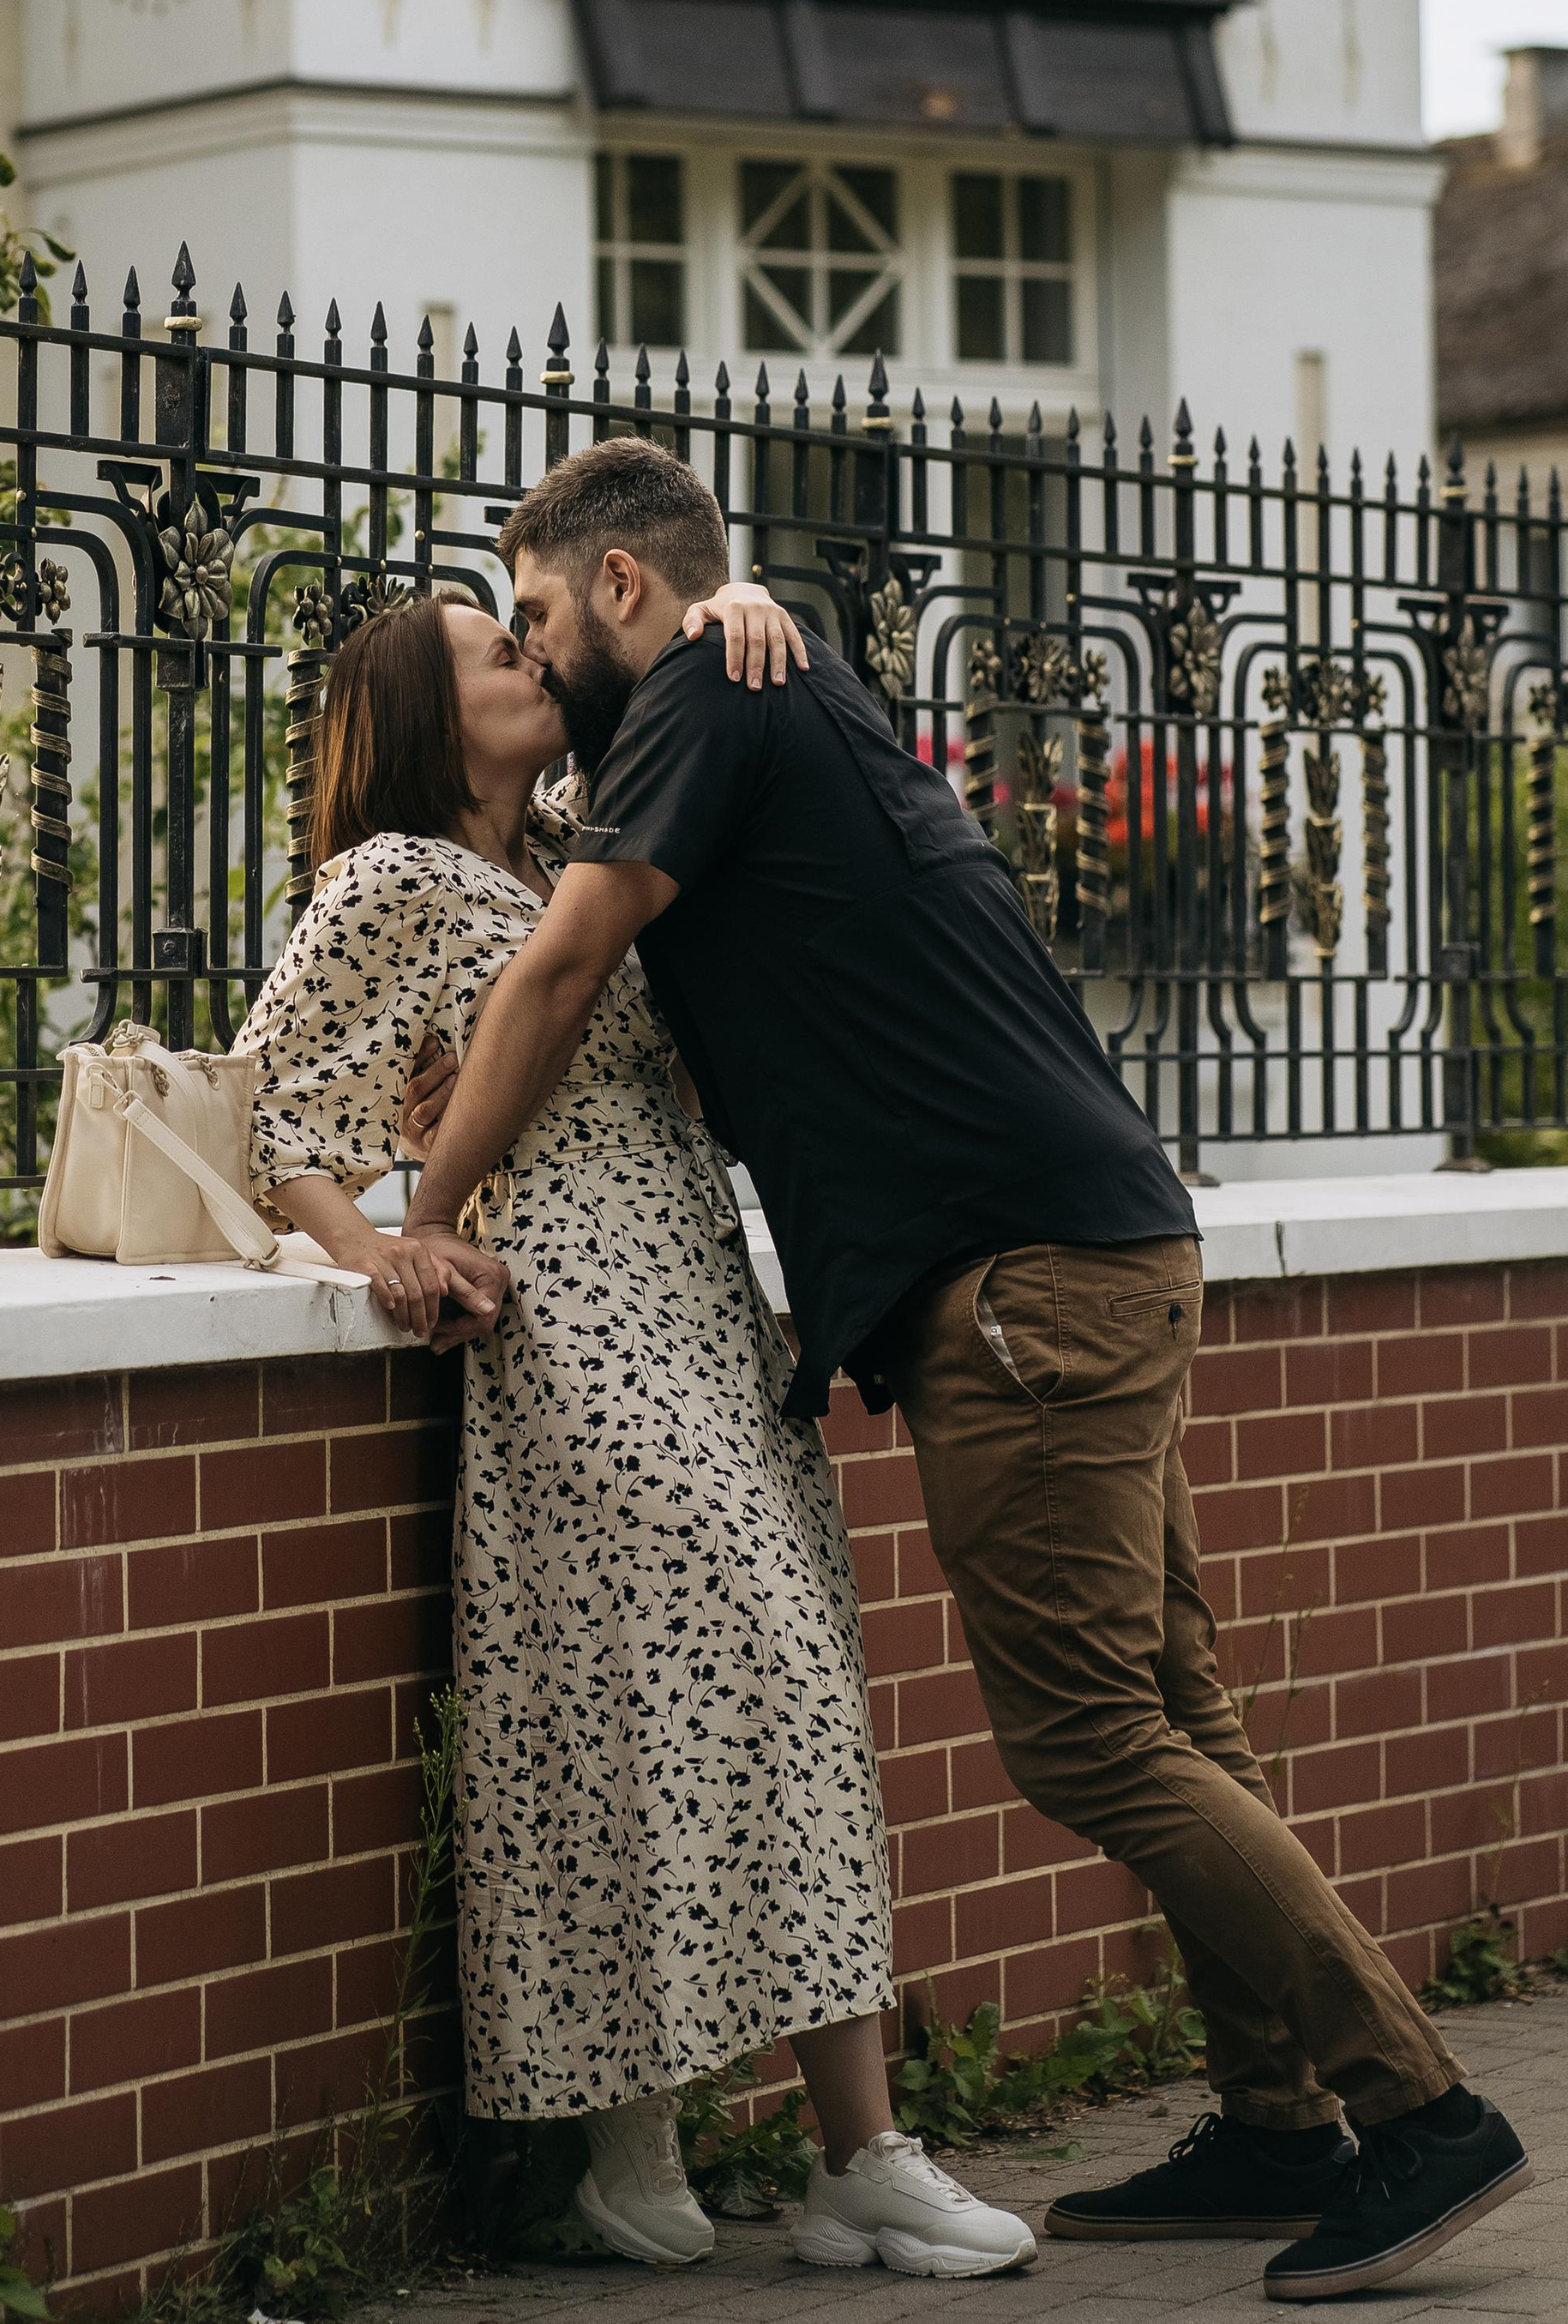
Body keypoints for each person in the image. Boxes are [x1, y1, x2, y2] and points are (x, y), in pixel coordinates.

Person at [400, 437, 1531, 2308]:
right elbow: (730, 1008)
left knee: (1091, 1730)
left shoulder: (699, 683)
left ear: (619, 589)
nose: (528, 650)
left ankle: (1416, 2113)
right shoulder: (760, 678)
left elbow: (569, 957)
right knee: (1170, 1700)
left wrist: (421, 1215)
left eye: (532, 609)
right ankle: (1275, 2115)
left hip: (1020, 1285)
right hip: (1092, 1242)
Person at [233, 580, 1036, 2279]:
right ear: (412, 708)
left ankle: (704, 2154)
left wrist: (744, 599)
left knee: (695, 1691)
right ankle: (805, 2147)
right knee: (735, 1678)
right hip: (569, 1319)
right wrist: (387, 1242)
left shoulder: (578, 844)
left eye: (523, 629)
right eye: (487, 648)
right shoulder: (386, 876)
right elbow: (272, 1107)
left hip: (697, 1289)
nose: (529, 656)